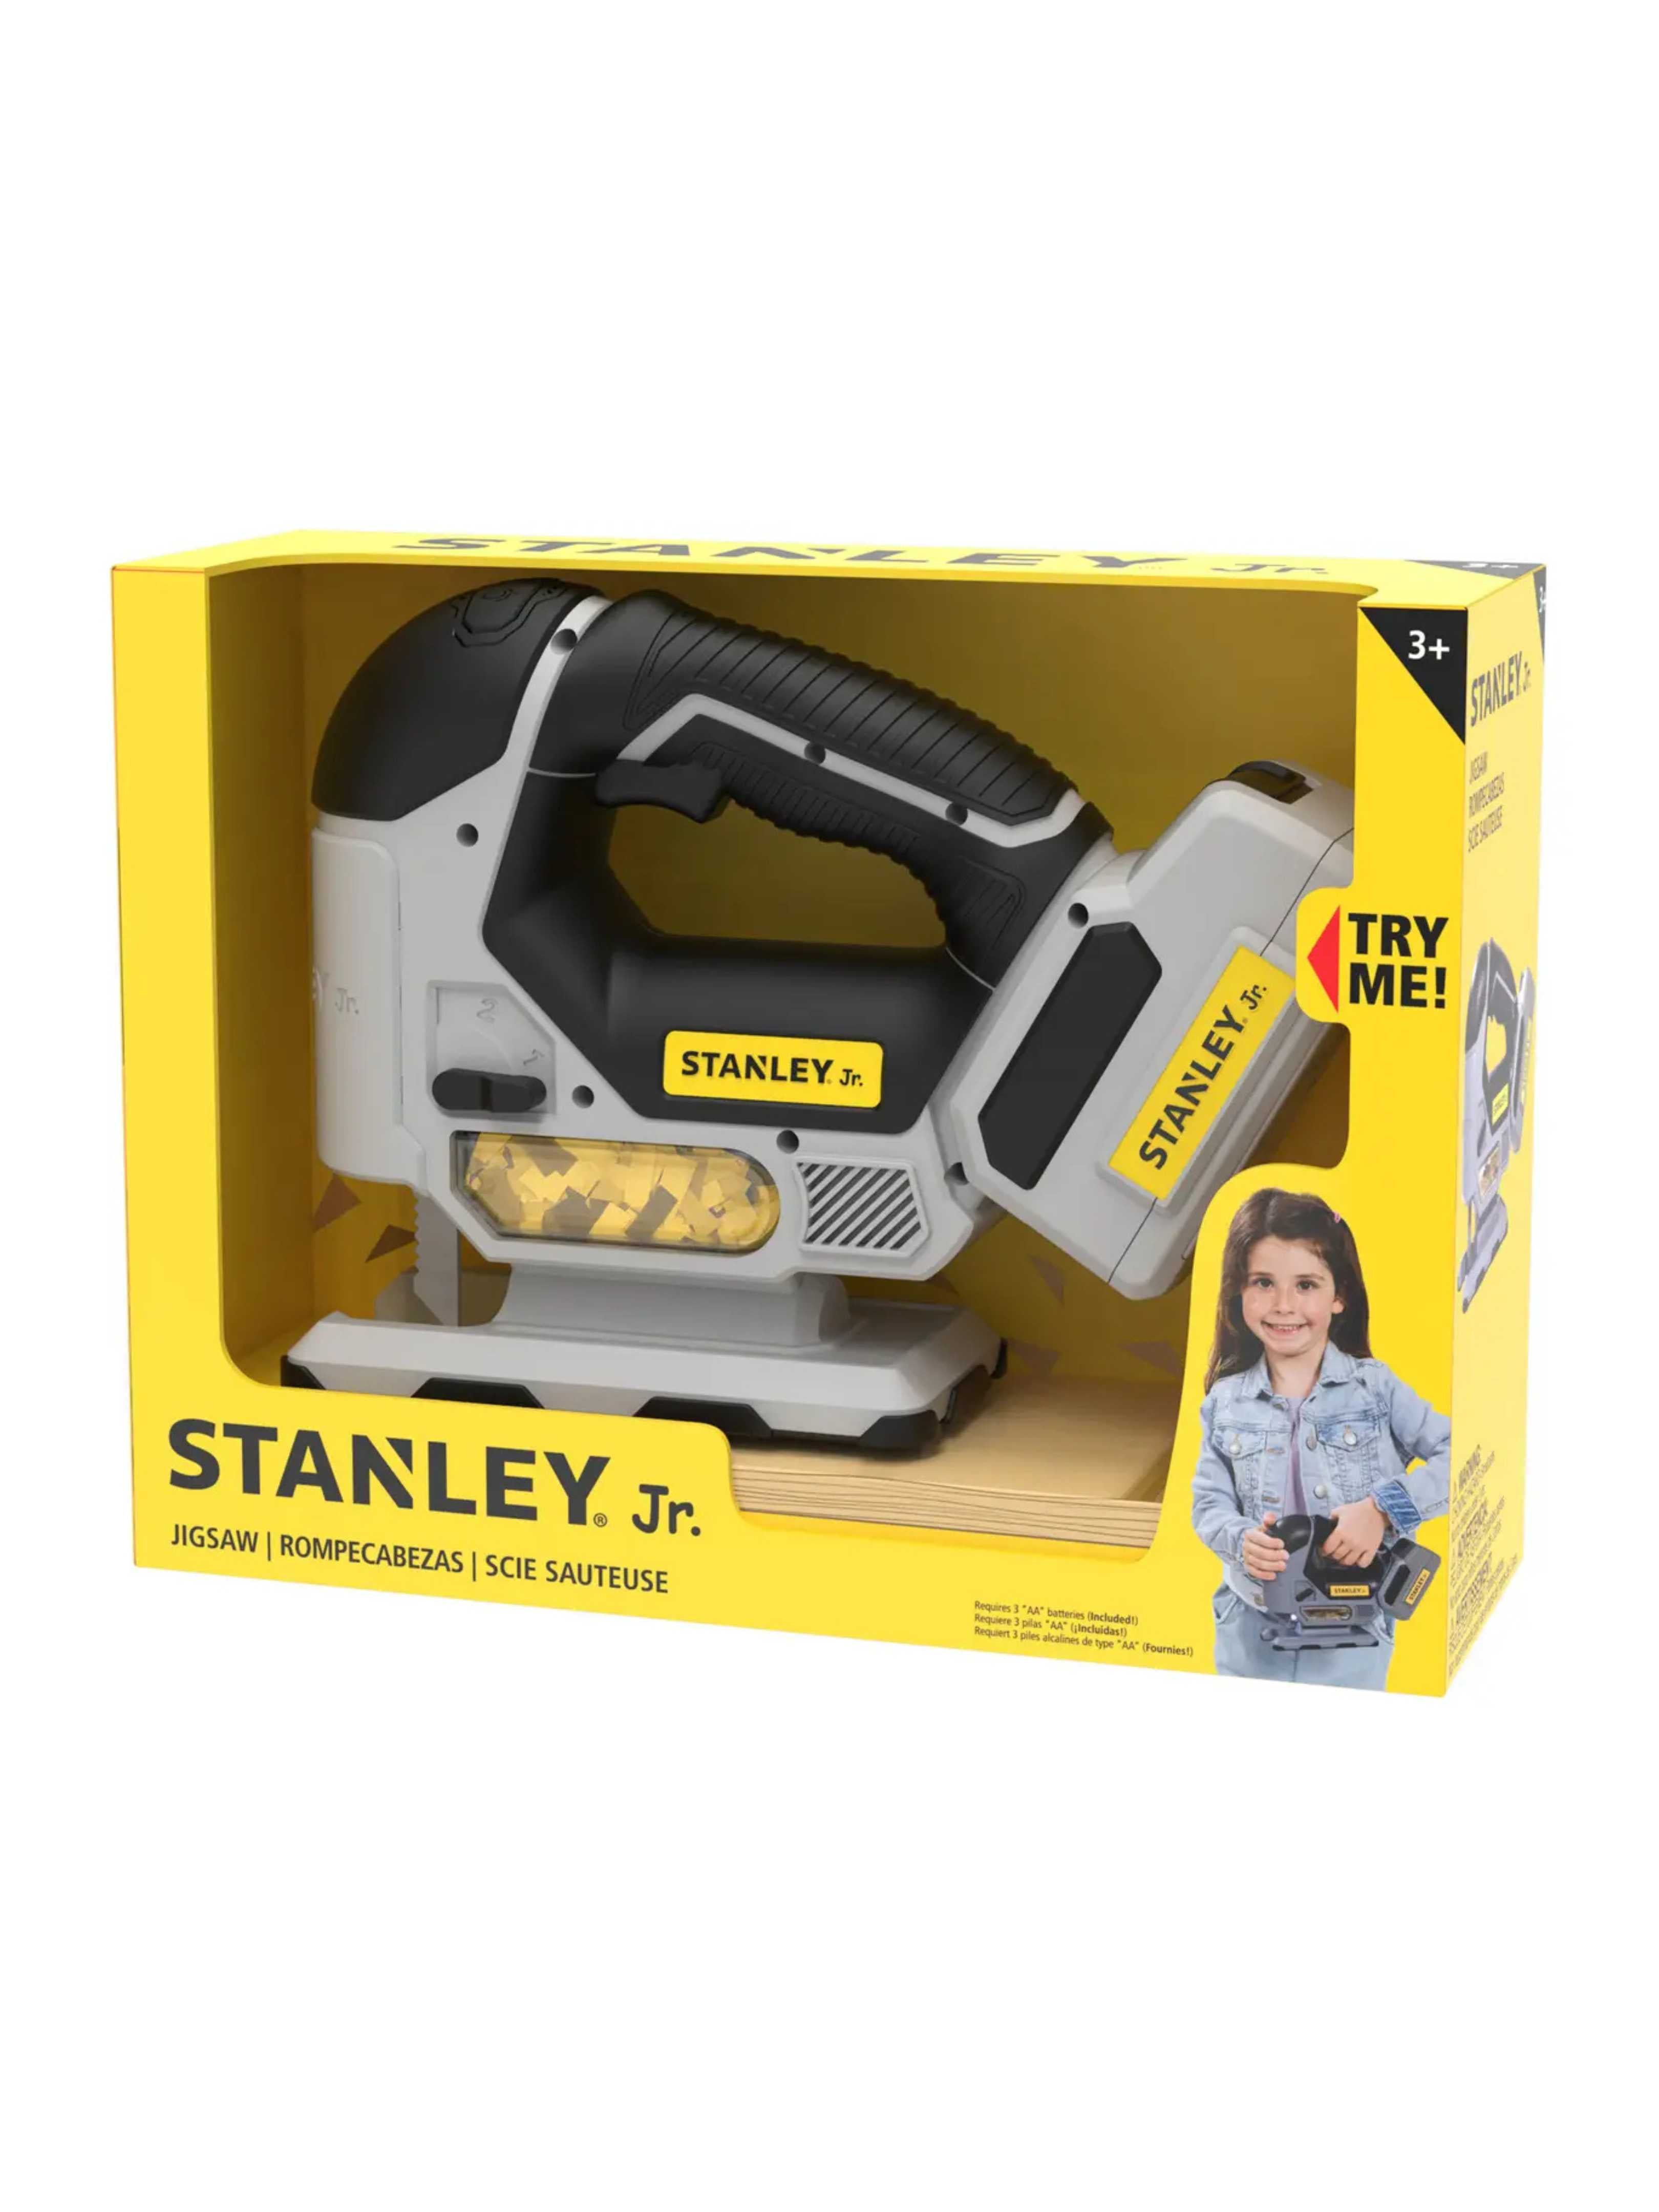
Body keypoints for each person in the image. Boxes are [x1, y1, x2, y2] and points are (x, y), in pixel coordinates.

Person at [1191, 1188, 1450, 1690]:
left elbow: (1458, 1456)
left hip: (1352, 1632)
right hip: (1251, 1626)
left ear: (1339, 1295)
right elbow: (1209, 1503)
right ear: (1239, 1293)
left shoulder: (1375, 1389)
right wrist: (1241, 1540)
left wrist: (1381, 1510)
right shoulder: (1224, 1402)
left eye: (1306, 1285)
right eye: (1263, 1282)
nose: (1284, 1305)